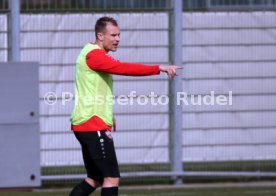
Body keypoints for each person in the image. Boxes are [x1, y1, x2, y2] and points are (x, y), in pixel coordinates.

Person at [69, 16, 182, 196]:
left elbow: (95, 88)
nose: (118, 39)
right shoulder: (94, 55)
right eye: (113, 35)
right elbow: (124, 68)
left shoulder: (90, 52)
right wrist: (158, 68)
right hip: (92, 123)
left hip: (88, 122)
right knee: (111, 177)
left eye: (119, 35)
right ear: (100, 35)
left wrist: (108, 113)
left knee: (95, 179)